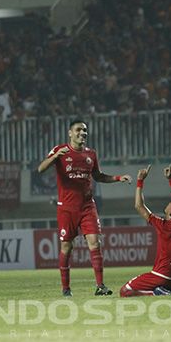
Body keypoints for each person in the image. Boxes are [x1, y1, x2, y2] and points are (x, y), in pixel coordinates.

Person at [37, 119, 132, 297]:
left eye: (85, 130)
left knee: (95, 242)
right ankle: (66, 288)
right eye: (79, 130)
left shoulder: (91, 154)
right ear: (70, 133)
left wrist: (119, 178)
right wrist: (55, 157)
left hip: (87, 206)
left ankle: (100, 286)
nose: (83, 133)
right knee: (67, 247)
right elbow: (40, 169)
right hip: (66, 208)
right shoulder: (60, 151)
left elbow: (99, 177)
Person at [121, 164, 171, 297]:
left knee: (125, 291)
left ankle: (159, 293)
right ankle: (170, 290)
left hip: (163, 276)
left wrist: (140, 180)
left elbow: (138, 205)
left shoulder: (164, 226)